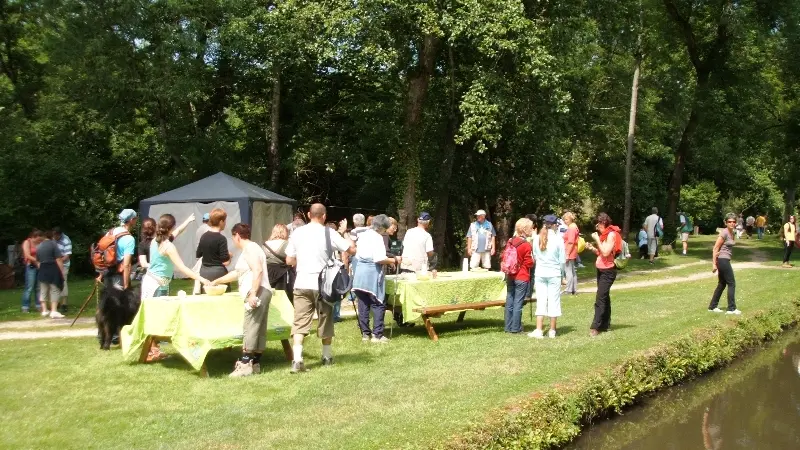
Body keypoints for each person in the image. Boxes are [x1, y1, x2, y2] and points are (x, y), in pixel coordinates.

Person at [285, 203, 356, 373]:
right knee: (326, 320)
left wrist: (302, 263)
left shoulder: (297, 233)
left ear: (309, 214)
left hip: (301, 283)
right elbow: (352, 249)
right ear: (324, 216)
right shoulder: (329, 233)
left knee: (300, 322)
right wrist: (344, 232)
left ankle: (297, 359)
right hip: (324, 285)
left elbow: (289, 260)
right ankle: (326, 356)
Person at [142, 214, 211, 361]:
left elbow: (176, 232)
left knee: (155, 319)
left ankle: (153, 350)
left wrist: (187, 220)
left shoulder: (156, 240)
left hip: (152, 282)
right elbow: (183, 268)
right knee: (157, 320)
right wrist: (202, 279)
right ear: (170, 227)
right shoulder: (168, 246)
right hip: (157, 286)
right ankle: (150, 352)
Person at [210, 224, 273, 377]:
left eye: (233, 237)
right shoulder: (252, 249)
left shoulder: (250, 249)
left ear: (237, 235)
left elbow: (257, 270)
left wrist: (252, 293)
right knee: (258, 327)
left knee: (250, 326)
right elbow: (237, 273)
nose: (234, 241)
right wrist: (216, 281)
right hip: (263, 291)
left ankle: (245, 364)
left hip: (258, 291)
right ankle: (255, 363)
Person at [352, 215, 400, 343]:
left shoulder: (363, 235)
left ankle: (365, 334)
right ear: (382, 227)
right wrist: (394, 259)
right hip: (371, 272)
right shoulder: (378, 237)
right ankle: (377, 335)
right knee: (378, 303)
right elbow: (379, 258)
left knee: (363, 303)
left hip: (359, 273)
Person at [529, 215, 565, 338]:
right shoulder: (558, 239)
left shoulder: (537, 238)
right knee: (554, 301)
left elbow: (534, 256)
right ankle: (552, 330)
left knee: (541, 300)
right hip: (554, 273)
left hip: (540, 272)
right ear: (554, 225)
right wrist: (562, 274)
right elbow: (562, 261)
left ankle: (539, 330)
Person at [585, 213, 621, 336]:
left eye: (598, 224)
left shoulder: (610, 235)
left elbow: (606, 253)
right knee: (605, 297)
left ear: (603, 223)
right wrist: (592, 248)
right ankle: (605, 324)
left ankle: (596, 326)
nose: (597, 227)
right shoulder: (604, 235)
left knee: (600, 298)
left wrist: (596, 240)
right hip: (601, 269)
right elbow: (601, 253)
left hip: (608, 271)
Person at [504, 218, 534, 334]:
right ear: (525, 230)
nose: (532, 230)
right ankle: (516, 328)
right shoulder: (526, 245)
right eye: (531, 228)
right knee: (518, 303)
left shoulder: (510, 241)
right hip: (521, 276)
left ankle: (508, 326)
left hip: (510, 275)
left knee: (509, 302)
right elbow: (529, 263)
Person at [708, 213, 741, 315]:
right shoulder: (724, 233)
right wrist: (714, 264)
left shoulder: (732, 233)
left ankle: (712, 306)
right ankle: (731, 308)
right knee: (731, 283)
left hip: (725, 259)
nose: (731, 223)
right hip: (722, 260)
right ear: (725, 223)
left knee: (722, 284)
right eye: (729, 222)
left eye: (733, 222)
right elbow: (715, 248)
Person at [104, 209, 139, 291]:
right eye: (135, 218)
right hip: (119, 276)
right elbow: (126, 265)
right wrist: (126, 286)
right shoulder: (129, 239)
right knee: (120, 301)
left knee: (109, 300)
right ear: (131, 220)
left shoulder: (110, 233)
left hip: (107, 273)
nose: (136, 220)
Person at [196, 208, 231, 283]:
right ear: (221, 222)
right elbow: (225, 261)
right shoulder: (221, 239)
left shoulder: (204, 236)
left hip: (204, 273)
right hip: (218, 273)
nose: (225, 223)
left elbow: (198, 254)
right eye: (225, 221)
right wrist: (229, 255)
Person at [36, 231, 66, 318]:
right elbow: (59, 260)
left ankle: (44, 310)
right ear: (51, 236)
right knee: (54, 289)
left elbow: (37, 261)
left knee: (43, 289)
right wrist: (61, 271)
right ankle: (54, 311)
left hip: (42, 268)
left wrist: (41, 268)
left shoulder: (39, 246)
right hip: (52, 268)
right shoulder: (53, 244)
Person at [264, 223, 295, 303]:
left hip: (268, 272)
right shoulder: (287, 244)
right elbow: (291, 258)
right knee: (283, 296)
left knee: (269, 295)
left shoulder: (265, 244)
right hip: (283, 273)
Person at [20, 229, 44, 313]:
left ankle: (38, 305)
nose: (40, 241)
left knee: (38, 287)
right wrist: (37, 261)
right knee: (29, 287)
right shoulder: (27, 242)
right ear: (34, 237)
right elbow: (27, 255)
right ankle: (25, 306)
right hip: (31, 266)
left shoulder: (40, 243)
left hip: (39, 266)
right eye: (39, 239)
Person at [52, 228, 72, 314]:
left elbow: (67, 255)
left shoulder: (66, 240)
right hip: (54, 264)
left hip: (64, 265)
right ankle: (56, 302)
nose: (54, 237)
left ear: (59, 234)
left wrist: (59, 261)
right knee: (53, 284)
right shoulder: (52, 239)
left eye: (55, 235)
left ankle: (64, 303)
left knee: (63, 282)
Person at [562, 212, 579, 296]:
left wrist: (567, 254)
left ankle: (569, 290)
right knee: (572, 271)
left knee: (568, 271)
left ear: (571, 219)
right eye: (564, 219)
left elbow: (571, 242)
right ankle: (574, 289)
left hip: (569, 251)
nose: (565, 221)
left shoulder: (571, 228)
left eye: (566, 219)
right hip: (572, 251)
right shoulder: (573, 227)